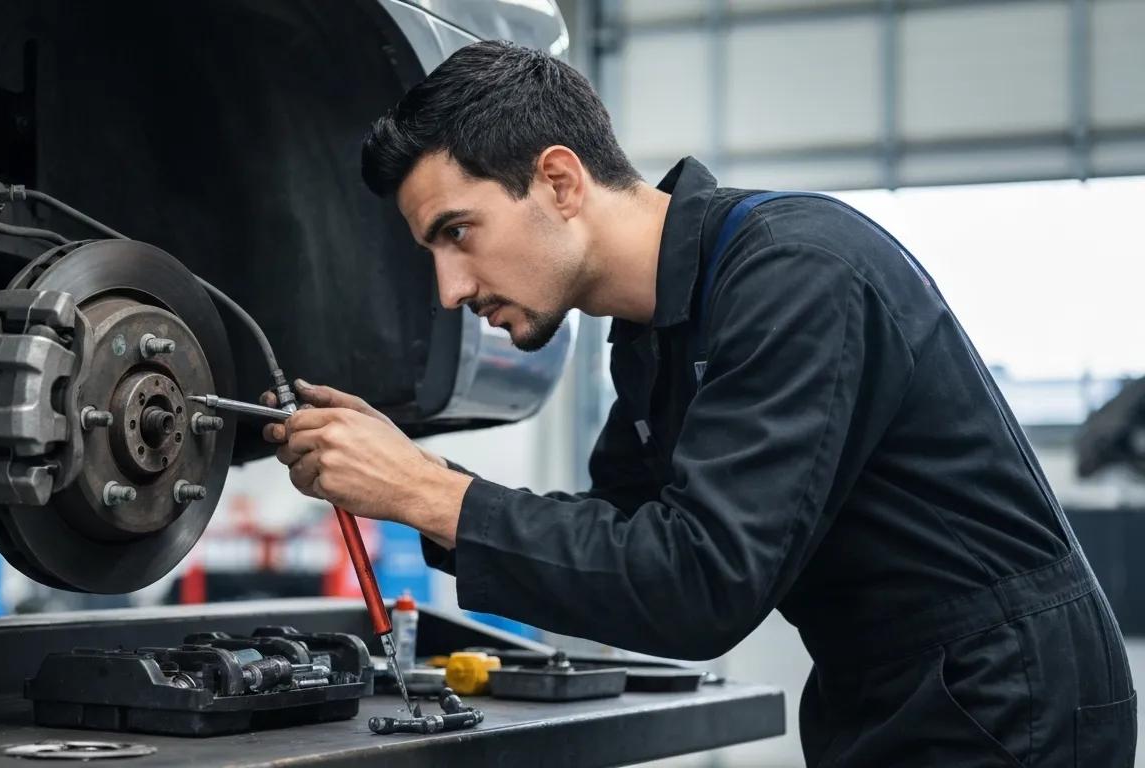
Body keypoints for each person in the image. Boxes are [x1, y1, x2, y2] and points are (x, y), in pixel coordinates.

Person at [262, 41, 1135, 765]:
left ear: (560, 182)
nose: (449, 288)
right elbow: (618, 541)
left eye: (458, 233)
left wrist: (423, 491)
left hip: (1007, 704)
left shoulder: (795, 276)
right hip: (890, 690)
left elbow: (699, 584)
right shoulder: (659, 330)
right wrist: (420, 481)